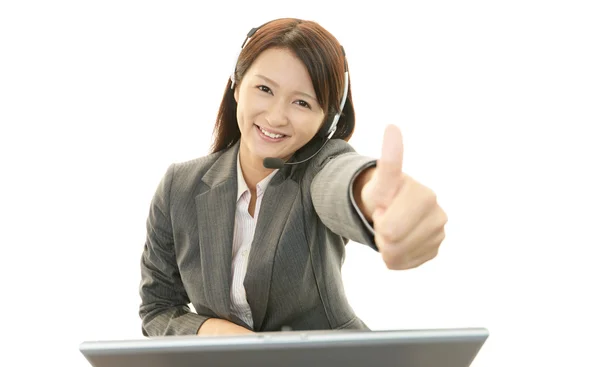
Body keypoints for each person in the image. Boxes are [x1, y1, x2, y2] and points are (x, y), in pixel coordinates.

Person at [138, 17, 448, 337]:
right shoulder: (180, 186)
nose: (276, 116)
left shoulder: (319, 168)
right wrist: (213, 332)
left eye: (302, 102)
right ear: (236, 84)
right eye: (264, 89)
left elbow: (339, 180)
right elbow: (158, 307)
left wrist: (370, 196)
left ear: (326, 121)